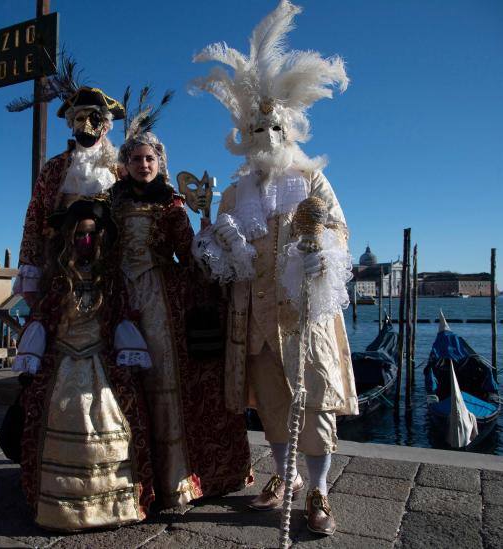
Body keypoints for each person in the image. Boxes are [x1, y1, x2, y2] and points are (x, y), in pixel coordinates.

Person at [190, 0, 357, 535]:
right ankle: (283, 478)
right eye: (257, 130)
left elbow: (338, 233)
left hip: (302, 315)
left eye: (275, 129)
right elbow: (220, 257)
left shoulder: (310, 181)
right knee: (274, 409)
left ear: (291, 129)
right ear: (245, 133)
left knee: (316, 406)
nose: (267, 138)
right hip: (254, 320)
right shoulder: (234, 192)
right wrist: (213, 246)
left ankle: (319, 491)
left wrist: (318, 256)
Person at [109, 110, 252, 508]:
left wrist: (206, 243)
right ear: (126, 164)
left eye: (150, 159)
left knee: (162, 379)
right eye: (136, 159)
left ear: (160, 164)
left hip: (159, 299)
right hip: (118, 295)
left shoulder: (171, 204)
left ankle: (172, 479)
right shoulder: (112, 203)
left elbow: (187, 256)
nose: (143, 165)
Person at [14, 199, 155, 531]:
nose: (85, 242)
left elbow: (120, 315)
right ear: (69, 237)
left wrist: (128, 354)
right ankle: (58, 507)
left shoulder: (110, 279)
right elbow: (44, 318)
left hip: (102, 362)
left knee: (116, 420)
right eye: (79, 235)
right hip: (62, 361)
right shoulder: (59, 278)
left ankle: (113, 503)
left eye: (91, 235)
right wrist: (30, 361)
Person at [15, 84, 124, 312]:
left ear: (105, 126)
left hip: (109, 266)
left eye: (94, 119)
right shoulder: (54, 168)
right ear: (71, 123)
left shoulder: (119, 170)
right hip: (59, 264)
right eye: (79, 118)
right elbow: (34, 218)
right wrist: (30, 270)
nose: (86, 125)